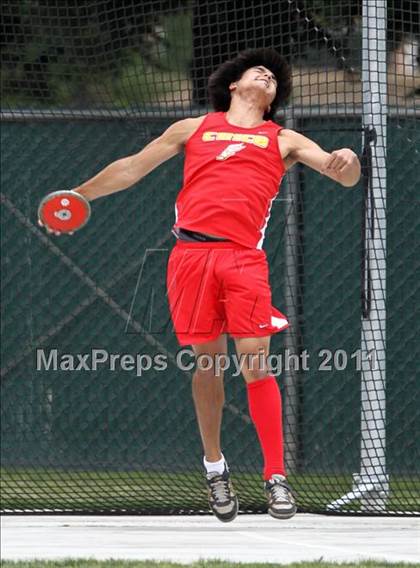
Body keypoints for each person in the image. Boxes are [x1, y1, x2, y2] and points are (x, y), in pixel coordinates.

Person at [39, 48, 361, 522]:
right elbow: (131, 167)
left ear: (272, 100)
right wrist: (78, 195)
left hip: (243, 259)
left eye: (273, 78)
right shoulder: (194, 128)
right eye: (258, 70)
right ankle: (216, 468)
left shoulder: (283, 139)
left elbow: (346, 177)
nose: (266, 75)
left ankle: (276, 479)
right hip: (189, 257)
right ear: (233, 85)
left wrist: (346, 159)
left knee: (255, 362)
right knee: (207, 366)